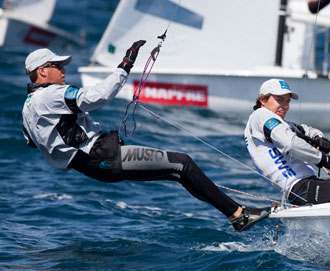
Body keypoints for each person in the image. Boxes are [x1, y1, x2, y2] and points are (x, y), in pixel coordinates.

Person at [21, 43, 269, 232]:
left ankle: (237, 214)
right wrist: (125, 64)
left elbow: (32, 142)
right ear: (42, 71)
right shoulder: (54, 94)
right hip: (101, 155)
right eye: (57, 66)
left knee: (179, 172)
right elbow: (99, 96)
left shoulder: (28, 107)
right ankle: (238, 215)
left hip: (90, 166)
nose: (63, 69)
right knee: (183, 163)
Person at [244, 78, 330, 206]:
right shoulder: (261, 115)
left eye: (288, 101)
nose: (285, 105)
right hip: (304, 188)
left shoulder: (279, 124)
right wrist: (322, 160)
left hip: (305, 192)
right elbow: (290, 144)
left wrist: (318, 137)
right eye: (280, 99)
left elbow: (305, 130)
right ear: (263, 99)